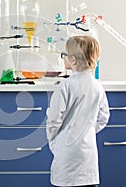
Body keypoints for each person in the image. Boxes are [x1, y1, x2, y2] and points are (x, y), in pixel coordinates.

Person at [46, 35, 110, 187]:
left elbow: (54, 120)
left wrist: (54, 142)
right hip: (88, 156)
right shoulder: (97, 86)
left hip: (66, 153)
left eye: (65, 55)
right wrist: (86, 130)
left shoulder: (65, 86)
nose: (64, 58)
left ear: (73, 60)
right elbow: (103, 118)